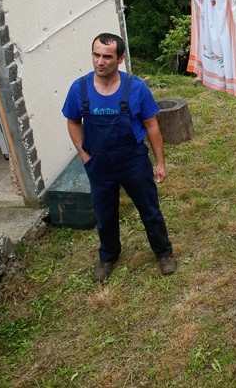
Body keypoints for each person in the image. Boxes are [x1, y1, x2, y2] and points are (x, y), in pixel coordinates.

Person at [62, 33, 176, 283]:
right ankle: (108, 256)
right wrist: (84, 154)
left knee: (149, 209)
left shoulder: (136, 88)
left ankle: (163, 253)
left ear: (120, 59)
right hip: (99, 163)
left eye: (107, 56)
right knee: (105, 214)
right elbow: (72, 121)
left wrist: (160, 163)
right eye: (96, 55)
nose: (100, 61)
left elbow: (151, 125)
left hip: (132, 160)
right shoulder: (78, 88)